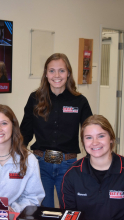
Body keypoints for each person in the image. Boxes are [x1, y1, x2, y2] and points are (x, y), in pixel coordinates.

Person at [20, 53, 92, 208]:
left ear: (69, 73)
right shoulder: (35, 98)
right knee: (43, 213)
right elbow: (25, 132)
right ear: (46, 74)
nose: (57, 75)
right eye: (52, 71)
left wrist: (93, 159)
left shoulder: (79, 101)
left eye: (62, 70)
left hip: (68, 165)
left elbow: (89, 132)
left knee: (69, 212)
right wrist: (15, 154)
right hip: (40, 165)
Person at [60, 115, 124, 220]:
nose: (95, 142)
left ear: (111, 138)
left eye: (101, 136)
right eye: (88, 137)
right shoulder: (72, 174)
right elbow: (68, 216)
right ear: (83, 142)